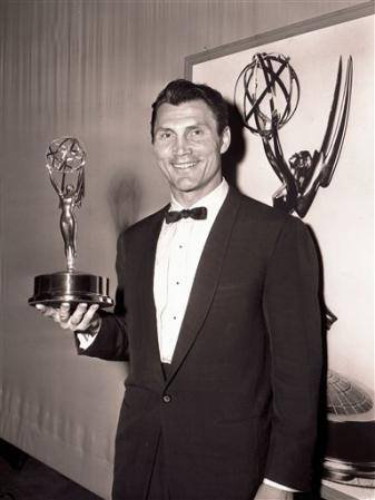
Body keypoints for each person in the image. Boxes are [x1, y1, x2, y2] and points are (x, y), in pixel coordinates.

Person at [36, 79, 323, 500]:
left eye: (196, 132)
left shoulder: (278, 236)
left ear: (224, 139)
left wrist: (280, 482)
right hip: (142, 455)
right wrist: (91, 326)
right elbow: (141, 339)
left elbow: (299, 374)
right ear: (154, 145)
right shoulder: (134, 241)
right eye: (166, 135)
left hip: (232, 468)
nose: (180, 149)